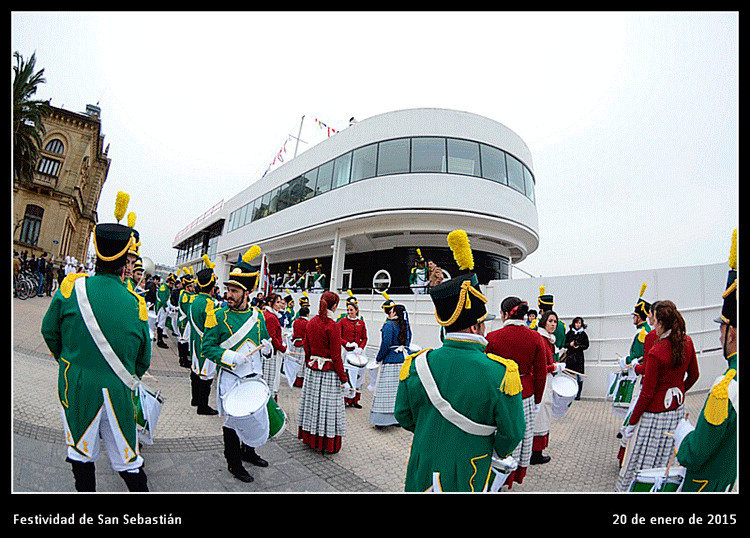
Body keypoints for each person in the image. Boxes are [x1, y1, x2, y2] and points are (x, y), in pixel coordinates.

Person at [395, 229, 525, 492]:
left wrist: (430, 431)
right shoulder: (501, 373)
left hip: (423, 462)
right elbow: (511, 434)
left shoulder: (417, 364)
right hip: (470, 468)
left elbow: (403, 415)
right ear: (476, 328)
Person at [40, 191, 150, 491]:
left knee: (81, 454)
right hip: (117, 391)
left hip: (75, 384)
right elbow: (143, 360)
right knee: (128, 463)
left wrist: (70, 359)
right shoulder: (136, 304)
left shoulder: (69, 289)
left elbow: (49, 331)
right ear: (124, 261)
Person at [201, 245, 272, 483]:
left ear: (246, 293)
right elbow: (207, 348)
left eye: (234, 291)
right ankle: (234, 463)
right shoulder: (218, 316)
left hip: (253, 377)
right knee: (232, 422)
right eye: (228, 289)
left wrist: (268, 348)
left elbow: (261, 341)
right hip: (231, 380)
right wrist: (230, 357)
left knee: (253, 417)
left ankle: (249, 452)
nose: (228, 295)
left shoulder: (258, 316)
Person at [615, 300, 700, 492]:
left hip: (654, 416)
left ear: (661, 322)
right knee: (667, 459)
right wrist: (678, 391)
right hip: (677, 411)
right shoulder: (688, 342)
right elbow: (694, 375)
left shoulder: (657, 352)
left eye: (655, 320)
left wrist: (631, 423)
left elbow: (646, 394)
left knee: (641, 462)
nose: (652, 324)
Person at [675, 229, 737, 492]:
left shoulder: (725, 388)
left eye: (721, 329)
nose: (719, 335)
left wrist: (684, 437)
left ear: (730, 334)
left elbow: (696, 453)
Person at [486, 295, 548, 487]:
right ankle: (512, 477)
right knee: (520, 436)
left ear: (505, 314)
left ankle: (494, 476)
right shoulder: (535, 337)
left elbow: (486, 370)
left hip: (499, 394)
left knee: (498, 435)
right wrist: (538, 400)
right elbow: (540, 373)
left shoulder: (492, 337)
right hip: (525, 394)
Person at [298, 290, 347, 453]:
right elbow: (336, 356)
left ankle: (310, 438)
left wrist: (309, 363)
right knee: (327, 408)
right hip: (328, 373)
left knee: (312, 405)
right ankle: (326, 442)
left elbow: (306, 346)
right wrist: (343, 378)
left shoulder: (311, 322)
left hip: (313, 371)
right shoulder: (333, 326)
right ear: (334, 306)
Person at [531, 309, 566, 465]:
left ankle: (538, 451)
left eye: (555, 322)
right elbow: (536, 368)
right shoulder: (540, 339)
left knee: (544, 415)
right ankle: (534, 453)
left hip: (547, 381)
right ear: (543, 322)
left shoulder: (549, 339)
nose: (553, 324)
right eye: (550, 321)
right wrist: (554, 368)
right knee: (540, 417)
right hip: (541, 382)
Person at [371, 303, 412, 427]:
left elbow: (385, 344)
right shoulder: (406, 325)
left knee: (385, 391)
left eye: (391, 310)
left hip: (391, 360)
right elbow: (408, 342)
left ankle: (382, 420)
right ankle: (397, 418)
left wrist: (378, 358)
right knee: (398, 391)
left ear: (394, 313)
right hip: (403, 359)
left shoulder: (389, 325)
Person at [189, 255, 220, 416]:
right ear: (212, 286)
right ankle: (203, 406)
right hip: (206, 343)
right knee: (206, 375)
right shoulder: (211, 304)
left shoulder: (194, 300)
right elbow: (213, 327)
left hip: (194, 341)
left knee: (195, 370)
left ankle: (195, 399)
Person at [338, 292, 368, 408]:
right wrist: (347, 344)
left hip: (358, 353)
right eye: (348, 310)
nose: (349, 312)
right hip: (347, 352)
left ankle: (355, 400)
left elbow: (365, 337)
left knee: (359, 377)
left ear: (356, 310)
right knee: (349, 376)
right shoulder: (342, 322)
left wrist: (361, 347)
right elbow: (338, 337)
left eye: (351, 310)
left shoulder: (361, 322)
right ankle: (346, 399)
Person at [262, 292, 287, 400]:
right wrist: (283, 349)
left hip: (271, 351)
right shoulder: (271, 317)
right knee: (271, 379)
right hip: (272, 353)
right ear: (270, 303)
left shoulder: (270, 315)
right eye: (277, 302)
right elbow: (272, 338)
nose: (280, 304)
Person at [564, 316, 589, 400]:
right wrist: (570, 344)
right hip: (570, 356)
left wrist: (579, 346)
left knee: (579, 376)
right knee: (569, 375)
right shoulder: (570, 333)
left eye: (579, 323)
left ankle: (578, 394)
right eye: (576, 323)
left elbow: (586, 345)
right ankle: (569, 392)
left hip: (579, 357)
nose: (577, 325)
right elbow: (564, 344)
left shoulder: (583, 334)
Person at [176, 269, 196, 368]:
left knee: (184, 340)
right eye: (191, 286)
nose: (193, 288)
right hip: (185, 321)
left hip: (185, 320)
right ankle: (182, 360)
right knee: (183, 340)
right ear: (187, 287)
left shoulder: (186, 294)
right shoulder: (186, 296)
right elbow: (188, 309)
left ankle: (183, 359)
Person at [289, 305, 310, 388]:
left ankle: (292, 379)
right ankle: (299, 381)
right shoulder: (307, 323)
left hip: (295, 343)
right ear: (307, 314)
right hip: (302, 344)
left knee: (294, 362)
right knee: (301, 363)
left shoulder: (296, 321)